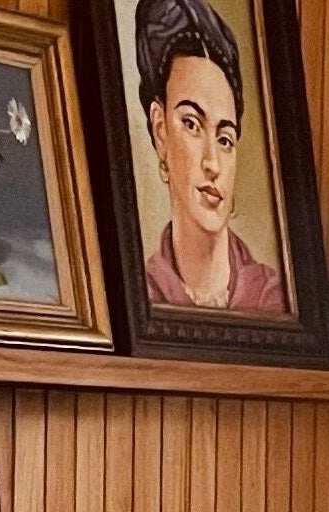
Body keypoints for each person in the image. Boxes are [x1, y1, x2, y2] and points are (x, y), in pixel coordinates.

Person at [134, 0, 286, 314]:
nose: (212, 163)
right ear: (160, 130)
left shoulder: (273, 299)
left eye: (225, 139)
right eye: (191, 124)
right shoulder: (141, 294)